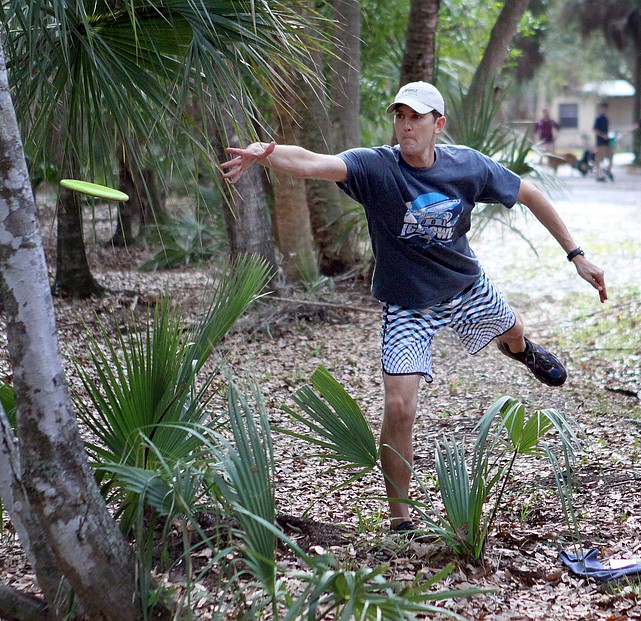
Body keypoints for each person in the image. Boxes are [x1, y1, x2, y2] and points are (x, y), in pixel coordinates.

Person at [222, 81, 608, 532]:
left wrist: (576, 255)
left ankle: (523, 352)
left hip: (465, 286)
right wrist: (264, 154)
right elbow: (313, 163)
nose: (406, 126)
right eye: (400, 116)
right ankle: (400, 520)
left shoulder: (467, 165)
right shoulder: (374, 167)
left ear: (437, 124)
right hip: (407, 305)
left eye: (416, 117)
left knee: (513, 328)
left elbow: (531, 195)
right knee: (399, 407)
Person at [592, 101, 613, 182]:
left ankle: (608, 171)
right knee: (599, 159)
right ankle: (598, 175)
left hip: (607, 143)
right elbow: (594, 130)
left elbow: (607, 129)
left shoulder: (606, 119)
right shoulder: (598, 118)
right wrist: (602, 135)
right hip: (600, 143)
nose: (605, 110)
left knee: (610, 156)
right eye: (604, 108)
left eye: (606, 108)